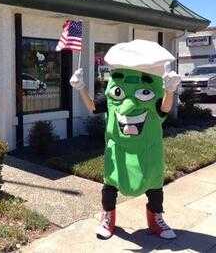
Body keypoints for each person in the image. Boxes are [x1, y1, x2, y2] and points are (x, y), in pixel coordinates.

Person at [70, 40, 181, 240]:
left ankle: (156, 219)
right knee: (111, 183)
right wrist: (81, 89)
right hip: (118, 148)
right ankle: (107, 218)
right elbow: (94, 107)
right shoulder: (112, 94)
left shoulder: (157, 96)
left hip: (148, 149)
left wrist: (169, 91)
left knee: (154, 184)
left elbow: (164, 108)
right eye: (120, 92)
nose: (128, 106)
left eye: (143, 92)